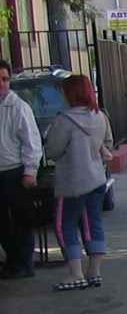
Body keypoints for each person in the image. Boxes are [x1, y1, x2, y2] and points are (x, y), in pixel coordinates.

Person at [43, 74, 114, 292]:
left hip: (72, 182)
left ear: (69, 93)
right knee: (92, 224)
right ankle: (94, 272)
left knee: (64, 226)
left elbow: (53, 150)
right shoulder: (100, 116)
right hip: (96, 179)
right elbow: (108, 143)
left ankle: (75, 273)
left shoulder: (64, 120)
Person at [0, 59, 44, 279]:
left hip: (15, 172)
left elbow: (32, 142)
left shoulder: (18, 108)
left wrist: (30, 171)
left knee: (22, 219)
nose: (2, 84)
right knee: (3, 224)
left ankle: (25, 264)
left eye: (5, 79)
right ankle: (13, 260)